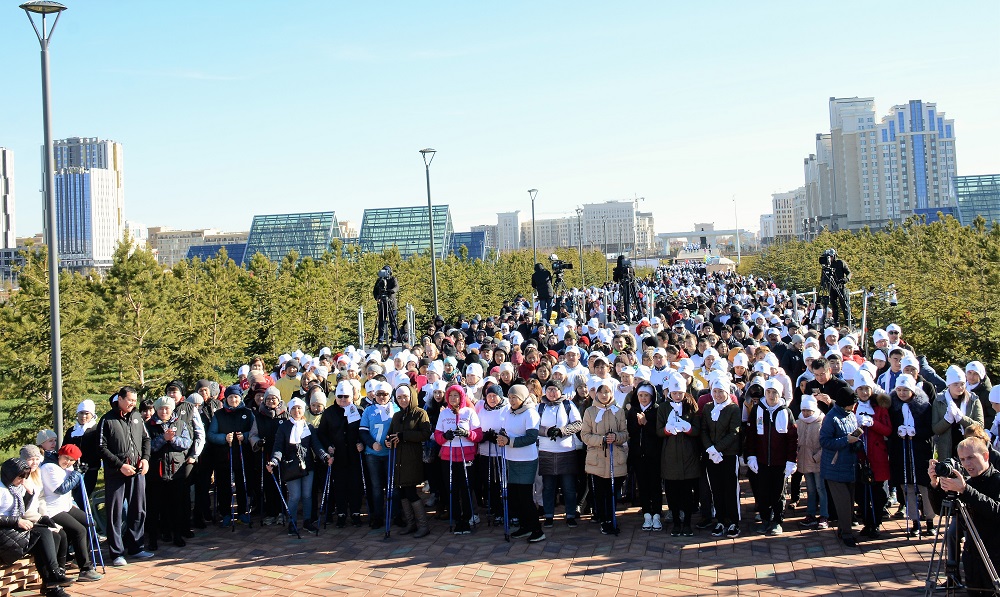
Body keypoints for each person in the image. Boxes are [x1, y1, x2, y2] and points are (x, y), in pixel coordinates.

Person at [928, 437, 1000, 596]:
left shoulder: (996, 480)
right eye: (962, 459)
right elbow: (942, 511)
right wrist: (935, 485)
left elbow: (996, 510)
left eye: (971, 457)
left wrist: (965, 490)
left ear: (986, 456)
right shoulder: (965, 482)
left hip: (994, 557)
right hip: (972, 557)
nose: (967, 464)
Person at [0, 458, 74, 597]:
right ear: (10, 474)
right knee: (42, 534)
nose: (23, 480)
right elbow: (14, 517)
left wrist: (29, 494)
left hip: (11, 532)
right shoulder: (1, 489)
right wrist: (17, 522)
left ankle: (51, 584)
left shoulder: (14, 488)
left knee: (53, 536)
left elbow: (21, 510)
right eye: (20, 476)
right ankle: (53, 577)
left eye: (25, 477)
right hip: (3, 536)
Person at [98, 386, 153, 567]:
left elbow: (146, 439)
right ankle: (116, 553)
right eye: (129, 400)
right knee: (115, 513)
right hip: (116, 473)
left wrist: (145, 459)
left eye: (134, 400)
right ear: (120, 399)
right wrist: (120, 465)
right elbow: (101, 448)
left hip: (137, 471)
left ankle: (136, 547)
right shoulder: (107, 420)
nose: (132, 403)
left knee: (138, 509)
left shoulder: (137, 417)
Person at [38, 444, 102, 582]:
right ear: (60, 455)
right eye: (66, 458)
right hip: (52, 509)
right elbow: (61, 489)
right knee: (79, 530)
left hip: (65, 506)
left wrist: (81, 474)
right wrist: (77, 474)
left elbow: (75, 485)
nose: (68, 462)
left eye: (72, 460)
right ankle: (85, 569)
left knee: (90, 523)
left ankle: (80, 557)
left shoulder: (68, 467)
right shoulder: (49, 467)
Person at [267, 398, 328, 536]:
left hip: (307, 465)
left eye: (299, 408)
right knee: (295, 496)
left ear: (303, 410)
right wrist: (274, 461)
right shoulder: (284, 427)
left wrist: (325, 456)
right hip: (291, 467)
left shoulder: (308, 427)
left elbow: (316, 445)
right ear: (290, 410)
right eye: (293, 408)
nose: (296, 411)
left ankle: (307, 521)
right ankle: (292, 523)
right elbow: (278, 447)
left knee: (307, 495)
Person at [745, 379, 798, 536]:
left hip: (779, 462)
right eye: (768, 392)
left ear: (779, 394)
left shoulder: (785, 412)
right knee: (763, 492)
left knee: (778, 493)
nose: (771, 395)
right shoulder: (757, 410)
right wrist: (751, 456)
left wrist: (791, 460)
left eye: (774, 392)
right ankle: (765, 519)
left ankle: (777, 521)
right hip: (762, 460)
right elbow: (751, 435)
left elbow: (792, 439)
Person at [888, 373, 936, 538]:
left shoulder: (924, 406)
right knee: (907, 487)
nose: (902, 393)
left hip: (920, 452)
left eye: (905, 390)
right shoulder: (892, 406)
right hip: (900, 452)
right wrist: (897, 432)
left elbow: (930, 429)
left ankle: (929, 520)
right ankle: (914, 521)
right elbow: (889, 429)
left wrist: (916, 432)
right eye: (899, 390)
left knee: (925, 486)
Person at [581, 377, 628, 536]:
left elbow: (625, 434)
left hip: (615, 458)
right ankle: (603, 519)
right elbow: (585, 435)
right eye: (601, 392)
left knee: (612, 491)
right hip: (597, 459)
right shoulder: (590, 411)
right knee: (600, 492)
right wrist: (601, 439)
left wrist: (616, 437)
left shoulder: (618, 411)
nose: (604, 395)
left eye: (607, 392)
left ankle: (611, 517)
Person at [145, 396, 194, 549]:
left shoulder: (180, 423)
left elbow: (186, 443)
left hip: (176, 471)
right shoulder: (149, 425)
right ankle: (153, 539)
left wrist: (172, 439)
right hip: (156, 472)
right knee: (155, 507)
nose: (164, 411)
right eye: (161, 408)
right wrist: (163, 438)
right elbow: (147, 447)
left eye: (167, 408)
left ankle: (177, 535)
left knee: (176, 506)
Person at [434, 384, 482, 535]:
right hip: (448, 457)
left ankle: (467, 519)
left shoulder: (469, 412)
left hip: (466, 456)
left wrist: (467, 433)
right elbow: (437, 435)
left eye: (456, 395)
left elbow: (478, 435)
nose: (453, 398)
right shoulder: (444, 413)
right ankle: (457, 520)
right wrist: (444, 436)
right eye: (450, 395)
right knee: (452, 489)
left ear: (462, 397)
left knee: (466, 488)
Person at [498, 384, 544, 542]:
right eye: (510, 397)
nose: (511, 401)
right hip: (511, 459)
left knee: (525, 497)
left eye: (515, 398)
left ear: (523, 398)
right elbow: (505, 430)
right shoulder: (509, 412)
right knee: (515, 497)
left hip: (526, 460)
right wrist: (501, 436)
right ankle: (525, 526)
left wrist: (509, 441)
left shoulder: (530, 413)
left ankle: (537, 530)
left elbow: (531, 437)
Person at [657, 375, 701, 536]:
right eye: (674, 393)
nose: (677, 396)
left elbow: (697, 430)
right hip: (670, 457)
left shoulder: (691, 406)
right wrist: (667, 430)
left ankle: (687, 523)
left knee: (687, 492)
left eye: (680, 393)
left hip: (689, 455)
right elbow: (658, 431)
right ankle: (676, 522)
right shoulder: (663, 408)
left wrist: (688, 428)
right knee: (672, 493)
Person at [316, 381, 364, 528]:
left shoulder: (359, 411)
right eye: (340, 396)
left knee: (355, 484)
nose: (343, 399)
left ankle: (355, 513)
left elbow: (363, 430)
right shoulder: (329, 412)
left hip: (354, 455)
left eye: (346, 396)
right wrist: (328, 445)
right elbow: (322, 433)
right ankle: (341, 513)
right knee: (340, 485)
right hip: (338, 455)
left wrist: (361, 442)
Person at [386, 384, 433, 538]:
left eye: (405, 397)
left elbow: (425, 434)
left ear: (411, 396)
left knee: (411, 492)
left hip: (412, 459)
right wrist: (388, 440)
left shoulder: (420, 413)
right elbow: (390, 433)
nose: (403, 400)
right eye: (399, 397)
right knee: (402, 492)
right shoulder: (397, 416)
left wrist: (404, 436)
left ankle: (423, 525)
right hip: (398, 459)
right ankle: (411, 523)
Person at [206, 385, 255, 529]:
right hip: (224, 456)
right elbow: (211, 435)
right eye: (230, 397)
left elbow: (254, 431)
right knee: (224, 485)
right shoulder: (219, 414)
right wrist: (224, 438)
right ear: (226, 398)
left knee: (242, 484)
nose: (233, 400)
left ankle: (242, 512)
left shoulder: (247, 413)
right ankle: (226, 513)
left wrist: (245, 436)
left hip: (242, 454)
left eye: (236, 397)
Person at [536, 380, 583, 528]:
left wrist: (562, 431)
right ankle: (549, 515)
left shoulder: (568, 405)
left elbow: (578, 423)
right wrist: (547, 431)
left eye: (555, 389)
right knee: (548, 487)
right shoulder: (540, 407)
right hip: (546, 452)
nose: (551, 392)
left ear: (560, 391)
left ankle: (570, 515)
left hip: (566, 451)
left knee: (569, 487)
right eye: (549, 389)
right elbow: (534, 426)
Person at [819, 383, 861, 547]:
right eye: (852, 403)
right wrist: (846, 440)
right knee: (843, 502)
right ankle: (847, 533)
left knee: (849, 502)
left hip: (849, 464)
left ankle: (843, 530)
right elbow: (824, 441)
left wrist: (856, 442)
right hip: (834, 467)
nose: (854, 406)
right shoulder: (831, 418)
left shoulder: (850, 415)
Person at [701, 377, 743, 538]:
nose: (717, 395)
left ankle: (733, 521)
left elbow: (734, 432)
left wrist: (718, 448)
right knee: (716, 488)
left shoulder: (733, 409)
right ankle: (720, 520)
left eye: (721, 391)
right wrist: (710, 449)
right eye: (715, 391)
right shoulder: (708, 407)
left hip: (729, 454)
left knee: (730, 489)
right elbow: (704, 430)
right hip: (712, 455)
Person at [853, 372, 892, 539]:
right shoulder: (853, 407)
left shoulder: (880, 407)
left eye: (866, 388)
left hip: (877, 456)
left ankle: (875, 523)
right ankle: (867, 521)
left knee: (878, 493)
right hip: (859, 455)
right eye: (860, 389)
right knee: (860, 493)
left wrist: (873, 423)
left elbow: (888, 430)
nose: (864, 392)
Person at [359, 381, 400, 529]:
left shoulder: (395, 409)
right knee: (376, 487)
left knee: (393, 486)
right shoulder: (368, 410)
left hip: (391, 453)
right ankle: (377, 516)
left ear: (390, 395)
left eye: (385, 394)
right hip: (373, 454)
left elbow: (399, 429)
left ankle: (396, 515)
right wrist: (371, 443)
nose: (382, 397)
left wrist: (392, 440)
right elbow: (363, 431)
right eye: (379, 394)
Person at [627, 382, 662, 531]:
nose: (643, 398)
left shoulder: (657, 410)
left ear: (652, 396)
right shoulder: (633, 411)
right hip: (638, 455)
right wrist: (638, 423)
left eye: (646, 395)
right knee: (642, 485)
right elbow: (630, 431)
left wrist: (646, 423)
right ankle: (647, 514)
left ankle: (657, 515)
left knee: (655, 485)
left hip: (654, 455)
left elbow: (658, 433)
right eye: (640, 395)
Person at [475, 384, 508, 526]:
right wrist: (484, 436)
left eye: (495, 396)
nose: (492, 399)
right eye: (489, 396)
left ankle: (508, 510)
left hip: (502, 453)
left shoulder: (506, 409)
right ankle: (497, 510)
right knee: (491, 483)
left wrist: (501, 435)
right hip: (486, 452)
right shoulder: (482, 410)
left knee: (504, 483)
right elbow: (476, 429)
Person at [796, 395, 828, 530]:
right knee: (810, 489)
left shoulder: (822, 422)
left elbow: (825, 444)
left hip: (817, 462)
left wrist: (817, 457)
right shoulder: (800, 421)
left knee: (821, 489)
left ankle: (824, 515)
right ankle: (810, 514)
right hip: (804, 461)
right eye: (803, 410)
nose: (805, 413)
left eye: (808, 410)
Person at [62, 399, 101, 502]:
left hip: (89, 471)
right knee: (72, 498)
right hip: (71, 470)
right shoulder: (71, 431)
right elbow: (64, 449)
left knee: (81, 499)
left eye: (86, 413)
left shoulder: (96, 430)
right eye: (81, 413)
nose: (83, 416)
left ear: (92, 415)